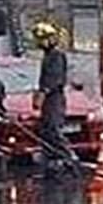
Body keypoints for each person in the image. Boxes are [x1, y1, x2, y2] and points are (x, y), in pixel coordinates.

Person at [32, 21, 77, 175]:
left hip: (54, 98)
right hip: (50, 98)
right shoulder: (48, 56)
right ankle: (51, 160)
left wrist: (42, 94)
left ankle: (69, 158)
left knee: (53, 128)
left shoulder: (56, 56)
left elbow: (53, 78)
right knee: (45, 130)